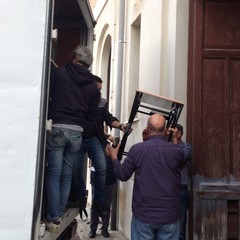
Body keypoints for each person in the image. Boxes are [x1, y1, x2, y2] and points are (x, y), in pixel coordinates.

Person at [45, 45, 100, 233]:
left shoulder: (60, 73)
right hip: (76, 131)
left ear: (76, 58)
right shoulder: (93, 86)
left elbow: (48, 96)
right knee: (66, 175)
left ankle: (53, 217)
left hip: (58, 127)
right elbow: (92, 116)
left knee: (54, 173)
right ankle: (59, 212)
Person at [106, 113, 185, 240]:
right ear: (165, 130)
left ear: (147, 130)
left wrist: (114, 157)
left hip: (144, 215)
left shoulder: (137, 150)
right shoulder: (177, 151)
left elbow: (122, 175)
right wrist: (174, 138)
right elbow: (179, 155)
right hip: (169, 215)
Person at [71, 77, 128, 226]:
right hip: (79, 138)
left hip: (95, 140)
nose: (99, 91)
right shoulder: (79, 98)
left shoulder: (102, 102)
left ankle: (101, 203)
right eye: (97, 88)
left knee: (102, 167)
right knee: (76, 168)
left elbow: (109, 118)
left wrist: (121, 126)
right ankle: (81, 195)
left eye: (100, 89)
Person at [89, 135, 117, 238]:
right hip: (96, 182)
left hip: (109, 181)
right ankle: (93, 229)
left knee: (106, 207)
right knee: (95, 206)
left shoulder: (111, 148)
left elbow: (117, 153)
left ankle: (104, 229)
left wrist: (113, 142)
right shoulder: (94, 148)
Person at [174, 124, 192, 240]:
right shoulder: (166, 147)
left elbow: (178, 158)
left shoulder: (186, 147)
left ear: (179, 134)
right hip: (166, 191)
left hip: (181, 191)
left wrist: (174, 141)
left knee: (180, 228)